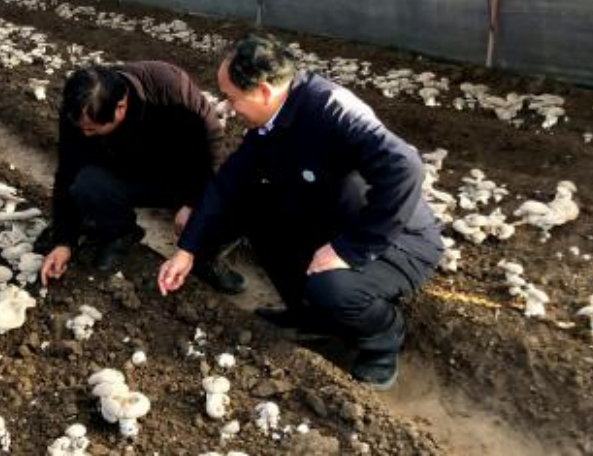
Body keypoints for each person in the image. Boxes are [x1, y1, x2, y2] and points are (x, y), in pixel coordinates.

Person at [158, 34, 443, 390]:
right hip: (329, 214)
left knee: (332, 286)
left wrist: (350, 249)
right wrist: (188, 249)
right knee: (257, 210)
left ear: (263, 91)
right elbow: (228, 182)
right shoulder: (271, 121)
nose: (228, 107)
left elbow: (406, 167)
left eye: (232, 98)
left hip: (394, 236)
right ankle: (309, 316)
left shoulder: (331, 109)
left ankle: (382, 341)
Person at [39, 61, 244, 294]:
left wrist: (193, 201)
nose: (84, 135)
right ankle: (119, 233)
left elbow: (212, 149)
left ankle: (205, 255)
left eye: (92, 130)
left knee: (237, 194)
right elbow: (67, 173)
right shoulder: (80, 110)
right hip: (130, 174)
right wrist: (63, 242)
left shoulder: (170, 88)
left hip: (183, 173)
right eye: (82, 129)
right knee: (86, 183)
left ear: (120, 107)